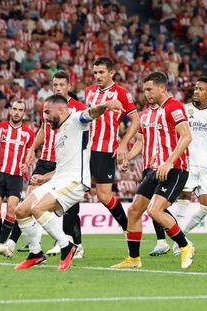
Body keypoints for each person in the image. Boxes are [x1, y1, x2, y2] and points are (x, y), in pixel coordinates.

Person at [0, 94, 124, 271]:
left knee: (37, 209)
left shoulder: (77, 119)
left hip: (75, 181)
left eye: (47, 112)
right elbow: (63, 166)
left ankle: (66, 246)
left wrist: (107, 104)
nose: (45, 117)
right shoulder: (59, 132)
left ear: (61, 110)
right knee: (21, 210)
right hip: (58, 179)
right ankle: (36, 254)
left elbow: (92, 112)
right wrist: (44, 178)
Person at [0, 71, 86, 258]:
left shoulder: (77, 108)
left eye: (61, 84)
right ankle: (13, 244)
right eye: (55, 85)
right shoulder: (49, 106)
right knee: (28, 202)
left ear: (68, 86)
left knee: (68, 208)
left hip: (64, 162)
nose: (58, 88)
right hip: (45, 159)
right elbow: (44, 130)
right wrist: (31, 150)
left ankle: (74, 244)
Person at [112, 72, 194, 269]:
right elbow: (141, 142)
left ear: (162, 88)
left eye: (149, 89)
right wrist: (127, 158)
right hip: (153, 170)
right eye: (144, 90)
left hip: (174, 168)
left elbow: (186, 136)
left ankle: (185, 246)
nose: (146, 93)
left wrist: (168, 162)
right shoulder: (146, 113)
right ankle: (133, 259)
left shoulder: (174, 106)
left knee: (155, 210)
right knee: (133, 211)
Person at [152, 77, 207, 256]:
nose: (196, 91)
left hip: (206, 165)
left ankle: (181, 236)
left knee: (206, 205)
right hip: (187, 162)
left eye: (201, 89)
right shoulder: (183, 109)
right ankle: (180, 243)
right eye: (195, 88)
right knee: (184, 199)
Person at [85, 56, 140, 235]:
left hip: (105, 149)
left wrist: (123, 144)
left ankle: (127, 227)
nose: (98, 76)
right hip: (84, 149)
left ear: (111, 72)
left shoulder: (122, 94)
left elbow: (135, 120)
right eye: (95, 72)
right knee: (73, 192)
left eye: (101, 72)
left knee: (104, 195)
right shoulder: (89, 92)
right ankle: (72, 243)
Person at [0, 101, 35, 250]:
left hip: (16, 176)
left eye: (20, 110)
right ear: (10, 111)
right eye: (15, 109)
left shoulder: (29, 134)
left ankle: (0, 245)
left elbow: (31, 154)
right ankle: (0, 243)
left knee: (12, 209)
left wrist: (27, 164)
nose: (17, 112)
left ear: (24, 113)